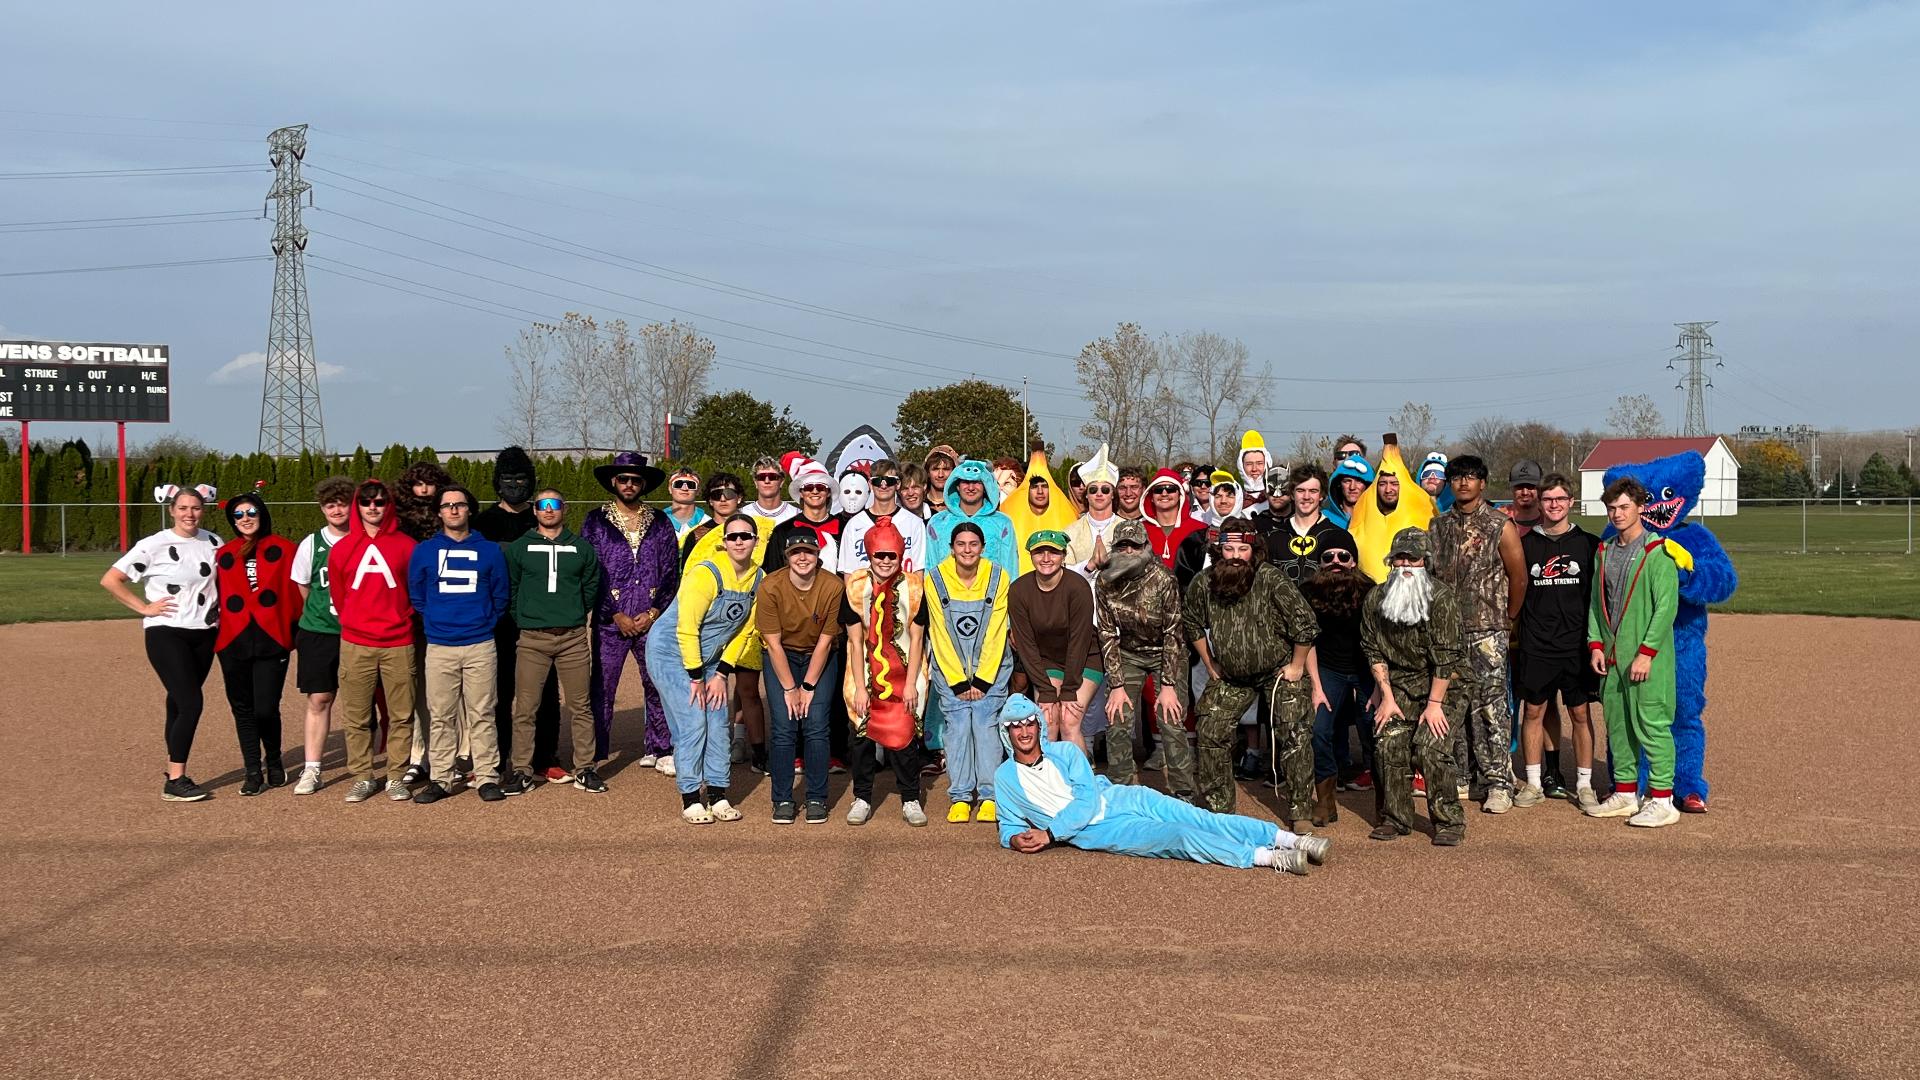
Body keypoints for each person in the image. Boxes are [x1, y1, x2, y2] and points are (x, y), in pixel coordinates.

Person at [992, 695, 1329, 876]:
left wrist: (1050, 834)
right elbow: (1008, 824)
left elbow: (1086, 800)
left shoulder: (1066, 752)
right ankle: (1267, 859)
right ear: (1007, 733)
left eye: (1028, 724)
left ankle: (1291, 839)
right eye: (1015, 726)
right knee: (1180, 837)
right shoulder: (1005, 778)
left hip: (1121, 798)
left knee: (1200, 818)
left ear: (1038, 726)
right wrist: (1013, 839)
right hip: (1107, 831)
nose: (1023, 732)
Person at [1182, 519, 1319, 820]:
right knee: (1210, 727)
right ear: (1218, 550)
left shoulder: (1271, 579)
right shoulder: (1205, 582)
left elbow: (1305, 623)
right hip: (1231, 676)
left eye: (1242, 548)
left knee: (1294, 730)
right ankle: (1219, 808)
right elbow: (1190, 620)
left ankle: (1301, 810)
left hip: (1278, 670)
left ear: (1253, 550)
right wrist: (1209, 662)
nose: (1234, 555)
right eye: (1228, 548)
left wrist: (1297, 666)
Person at [102, 483, 223, 802]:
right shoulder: (154, 544)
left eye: (195, 508)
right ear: (171, 510)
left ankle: (173, 772)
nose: (189, 514)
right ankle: (176, 779)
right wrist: (143, 608)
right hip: (166, 631)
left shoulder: (213, 542)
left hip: (205, 632)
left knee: (178, 700)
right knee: (192, 702)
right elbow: (111, 579)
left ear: (203, 510)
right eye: (182, 508)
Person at [645, 512, 762, 824]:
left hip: (709, 660)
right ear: (724, 543)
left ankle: (719, 794)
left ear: (755, 541)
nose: (739, 541)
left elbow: (744, 632)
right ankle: (690, 797)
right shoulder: (705, 574)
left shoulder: (758, 578)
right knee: (693, 721)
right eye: (733, 536)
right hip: (671, 653)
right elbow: (686, 629)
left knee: (718, 722)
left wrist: (721, 674)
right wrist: (697, 677)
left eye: (745, 536)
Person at [1430, 454, 1527, 813]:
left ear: (1482, 483)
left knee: (1490, 707)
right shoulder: (1438, 526)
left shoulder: (1500, 525)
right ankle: (1460, 776)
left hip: (1488, 629)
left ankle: (1499, 781)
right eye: (1456, 477)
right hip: (1448, 632)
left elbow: (1518, 577)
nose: (1463, 483)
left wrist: (1508, 618)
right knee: (1453, 705)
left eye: (1471, 477)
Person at [1361, 527, 1468, 846]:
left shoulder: (1442, 598)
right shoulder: (1376, 598)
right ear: (1390, 562)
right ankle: (1395, 817)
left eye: (1414, 558)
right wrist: (1386, 696)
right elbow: (1373, 648)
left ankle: (1448, 820)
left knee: (1430, 746)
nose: (1406, 564)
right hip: (1400, 683)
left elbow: (1447, 656)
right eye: (1399, 558)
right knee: (1388, 740)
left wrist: (1434, 705)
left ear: (1427, 561)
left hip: (1447, 683)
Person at [1587, 478, 1683, 828]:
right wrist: (1595, 643)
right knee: (1619, 726)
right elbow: (1597, 605)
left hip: (1646, 658)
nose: (1617, 514)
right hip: (1612, 657)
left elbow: (1665, 607)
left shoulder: (1658, 552)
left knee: (1652, 723)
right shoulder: (1604, 551)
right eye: (1612, 508)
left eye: (1624, 507)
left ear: (1641, 507)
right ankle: (1626, 794)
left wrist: (1647, 652)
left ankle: (1662, 799)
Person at [408, 484, 512, 803]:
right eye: (448, 505)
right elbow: (417, 595)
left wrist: (481, 622)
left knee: (482, 712)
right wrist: (440, 621)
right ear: (439, 512)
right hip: (440, 645)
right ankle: (441, 777)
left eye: (460, 504)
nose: (454, 510)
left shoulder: (490, 550)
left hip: (480, 644)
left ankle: (486, 776)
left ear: (469, 510)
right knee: (441, 714)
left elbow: (500, 595)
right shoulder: (425, 551)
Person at [580, 452, 680, 775]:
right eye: (623, 479)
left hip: (650, 619)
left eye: (635, 479)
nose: (629, 484)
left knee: (656, 681)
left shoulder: (661, 523)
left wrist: (653, 612)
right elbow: (589, 570)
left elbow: (670, 573)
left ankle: (661, 746)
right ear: (614, 482)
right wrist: (613, 613)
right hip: (612, 621)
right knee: (603, 686)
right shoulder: (596, 521)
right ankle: (593, 754)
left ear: (643, 484)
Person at [505, 490, 605, 793]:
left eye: (555, 504)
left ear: (565, 508)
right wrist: (527, 617)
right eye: (542, 505)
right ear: (534, 511)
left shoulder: (582, 549)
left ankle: (585, 768)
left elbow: (590, 587)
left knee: (580, 706)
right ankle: (522, 769)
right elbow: (512, 588)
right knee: (525, 708)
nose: (549, 510)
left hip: (572, 638)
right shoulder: (519, 548)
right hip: (533, 639)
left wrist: (573, 614)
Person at [474, 447, 564, 785]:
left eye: (522, 480)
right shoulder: (482, 524)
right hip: (497, 621)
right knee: (498, 692)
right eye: (508, 480)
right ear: (497, 483)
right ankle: (495, 761)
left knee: (544, 692)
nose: (515, 485)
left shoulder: (541, 519)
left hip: (540, 620)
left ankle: (545, 758)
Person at [330, 479, 421, 803]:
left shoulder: (406, 546)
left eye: (380, 501)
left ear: (388, 505)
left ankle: (396, 775)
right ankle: (363, 776)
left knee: (401, 715)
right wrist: (356, 622)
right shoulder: (342, 548)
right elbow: (339, 597)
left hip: (398, 642)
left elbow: (416, 591)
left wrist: (401, 617)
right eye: (367, 501)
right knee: (357, 716)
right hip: (356, 643)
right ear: (357, 505)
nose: (373, 507)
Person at [1513, 473, 1601, 808]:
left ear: (1571, 503)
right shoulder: (1525, 544)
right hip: (1537, 644)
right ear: (1539, 503)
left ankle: (1584, 784)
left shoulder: (1588, 544)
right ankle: (1534, 782)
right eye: (1548, 499)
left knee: (1580, 714)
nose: (1554, 505)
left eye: (1560, 499)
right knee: (1533, 710)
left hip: (1576, 644)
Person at [839, 517, 932, 826]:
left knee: (905, 735)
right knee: (862, 736)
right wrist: (861, 687)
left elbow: (918, 637)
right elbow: (854, 641)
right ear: (869, 555)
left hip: (906, 670)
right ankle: (862, 796)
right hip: (864, 668)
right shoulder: (854, 587)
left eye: (891, 555)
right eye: (879, 555)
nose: (885, 561)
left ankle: (910, 797)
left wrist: (910, 683)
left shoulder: (915, 587)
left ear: (900, 555)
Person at [1096, 519, 1196, 797]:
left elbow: (1174, 633)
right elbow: (1106, 633)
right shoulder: (1105, 582)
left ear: (1146, 548)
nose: (1128, 551)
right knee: (1117, 718)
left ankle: (1182, 794)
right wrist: (1115, 685)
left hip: (1167, 652)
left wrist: (1167, 686)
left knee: (1171, 718)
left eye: (1135, 545)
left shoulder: (1164, 579)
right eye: (1122, 545)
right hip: (1127, 653)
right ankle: (1120, 793)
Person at [925, 522, 1013, 823]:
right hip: (951, 669)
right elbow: (939, 633)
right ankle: (960, 796)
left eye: (973, 544)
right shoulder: (935, 579)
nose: (967, 550)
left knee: (987, 726)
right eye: (961, 544)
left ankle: (989, 795)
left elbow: (996, 630)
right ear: (952, 548)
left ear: (982, 547)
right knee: (959, 728)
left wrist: (983, 678)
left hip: (991, 666)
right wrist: (960, 680)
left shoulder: (999, 576)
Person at [756, 531, 846, 824]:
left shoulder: (832, 585)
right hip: (781, 655)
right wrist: (790, 688)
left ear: (818, 555)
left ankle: (817, 797)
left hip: (819, 656)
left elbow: (825, 640)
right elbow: (772, 642)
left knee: (817, 725)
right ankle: (782, 798)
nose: (803, 558)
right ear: (787, 557)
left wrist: (807, 686)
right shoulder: (771, 585)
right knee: (784, 726)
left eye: (808, 552)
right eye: (796, 553)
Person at [213, 489, 298, 796]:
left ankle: (274, 760)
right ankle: (252, 769)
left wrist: (294, 633)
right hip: (232, 641)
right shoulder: (223, 553)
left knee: (265, 708)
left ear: (262, 515)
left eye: (251, 513)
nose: (245, 519)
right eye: (238, 515)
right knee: (242, 709)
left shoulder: (285, 549)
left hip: (271, 639)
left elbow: (295, 593)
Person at [1301, 533, 1377, 822]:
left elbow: (1379, 641)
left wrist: (1380, 687)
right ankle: (1325, 799)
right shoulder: (1307, 591)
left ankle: (1385, 802)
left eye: (1343, 557)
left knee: (1374, 726)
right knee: (1319, 728)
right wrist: (1315, 687)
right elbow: (1305, 639)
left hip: (1365, 669)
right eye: (1328, 557)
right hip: (1327, 670)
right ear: (1319, 563)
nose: (1336, 562)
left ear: (1354, 561)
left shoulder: (1370, 591)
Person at [289, 476, 355, 795]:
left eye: (342, 502)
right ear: (322, 508)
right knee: (319, 698)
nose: (336, 509)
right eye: (330, 504)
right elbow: (303, 586)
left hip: (359, 633)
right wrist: (322, 614)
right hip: (319, 632)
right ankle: (312, 768)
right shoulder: (312, 543)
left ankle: (364, 766)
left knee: (361, 701)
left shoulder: (363, 540)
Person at [1008, 530, 1102, 753]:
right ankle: (1049, 782)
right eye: (1039, 552)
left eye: (1054, 552)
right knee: (1048, 721)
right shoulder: (1019, 590)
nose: (1046, 558)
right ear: (1031, 555)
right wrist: (1046, 690)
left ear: (1063, 556)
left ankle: (1081, 782)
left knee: (1070, 721)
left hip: (1085, 657)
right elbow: (1026, 645)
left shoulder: (1078, 587)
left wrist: (1069, 689)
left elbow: (1080, 640)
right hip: (1046, 659)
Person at [1267, 464, 1353, 586]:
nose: (1306, 497)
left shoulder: (1337, 536)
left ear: (1321, 495)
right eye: (1300, 491)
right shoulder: (1274, 537)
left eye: (1313, 491)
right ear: (1292, 494)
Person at [840, 458, 930, 573]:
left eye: (889, 480)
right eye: (878, 481)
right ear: (870, 485)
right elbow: (849, 574)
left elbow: (918, 572)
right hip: (865, 590)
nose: (883, 486)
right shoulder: (853, 525)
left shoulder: (915, 523)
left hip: (902, 590)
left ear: (897, 484)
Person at [1004, 447, 1078, 574]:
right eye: (1034, 487)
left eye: (1044, 487)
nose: (1040, 492)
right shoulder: (1006, 516)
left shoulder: (1070, 518)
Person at [764, 455, 843, 573]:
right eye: (809, 487)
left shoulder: (844, 528)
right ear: (801, 493)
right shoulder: (783, 531)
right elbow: (774, 573)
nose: (815, 491)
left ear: (828, 493)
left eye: (821, 487)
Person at [1064, 444, 1123, 577]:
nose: (1099, 494)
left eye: (1105, 490)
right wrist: (1089, 566)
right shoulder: (1070, 533)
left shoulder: (1128, 528)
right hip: (1080, 595)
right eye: (1093, 489)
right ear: (1086, 494)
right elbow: (1064, 573)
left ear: (1113, 494)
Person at [1141, 468, 1203, 570]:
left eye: (1170, 489)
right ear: (1151, 497)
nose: (1164, 493)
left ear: (1180, 495)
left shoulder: (1200, 530)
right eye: (1158, 490)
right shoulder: (1139, 530)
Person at [743, 455, 799, 525]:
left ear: (781, 481)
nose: (767, 481)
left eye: (772, 477)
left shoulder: (796, 515)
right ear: (755, 482)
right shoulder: (743, 514)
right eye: (761, 477)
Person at [1324, 456, 1373, 530]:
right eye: (1347, 481)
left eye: (1359, 481)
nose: (1352, 487)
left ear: (1368, 486)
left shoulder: (1376, 520)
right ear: (1338, 484)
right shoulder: (1324, 519)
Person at [663, 466, 708, 540]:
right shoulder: (656, 521)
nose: (684, 488)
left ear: (698, 491)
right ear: (670, 489)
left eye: (691, 485)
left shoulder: (707, 523)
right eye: (678, 484)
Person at [1236, 430, 1271, 511]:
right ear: (1241, 466)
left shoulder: (1276, 499)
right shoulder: (1236, 499)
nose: (1254, 469)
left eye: (1259, 463)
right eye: (1249, 464)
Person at [1504, 459, 1544, 529]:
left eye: (1530, 486)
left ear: (1540, 487)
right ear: (1511, 487)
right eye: (1519, 486)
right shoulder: (1496, 520)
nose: (1525, 492)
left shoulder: (1550, 520)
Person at [923, 445, 958, 517]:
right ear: (928, 472)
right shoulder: (918, 502)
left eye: (946, 469)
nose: (940, 475)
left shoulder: (960, 503)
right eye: (935, 469)